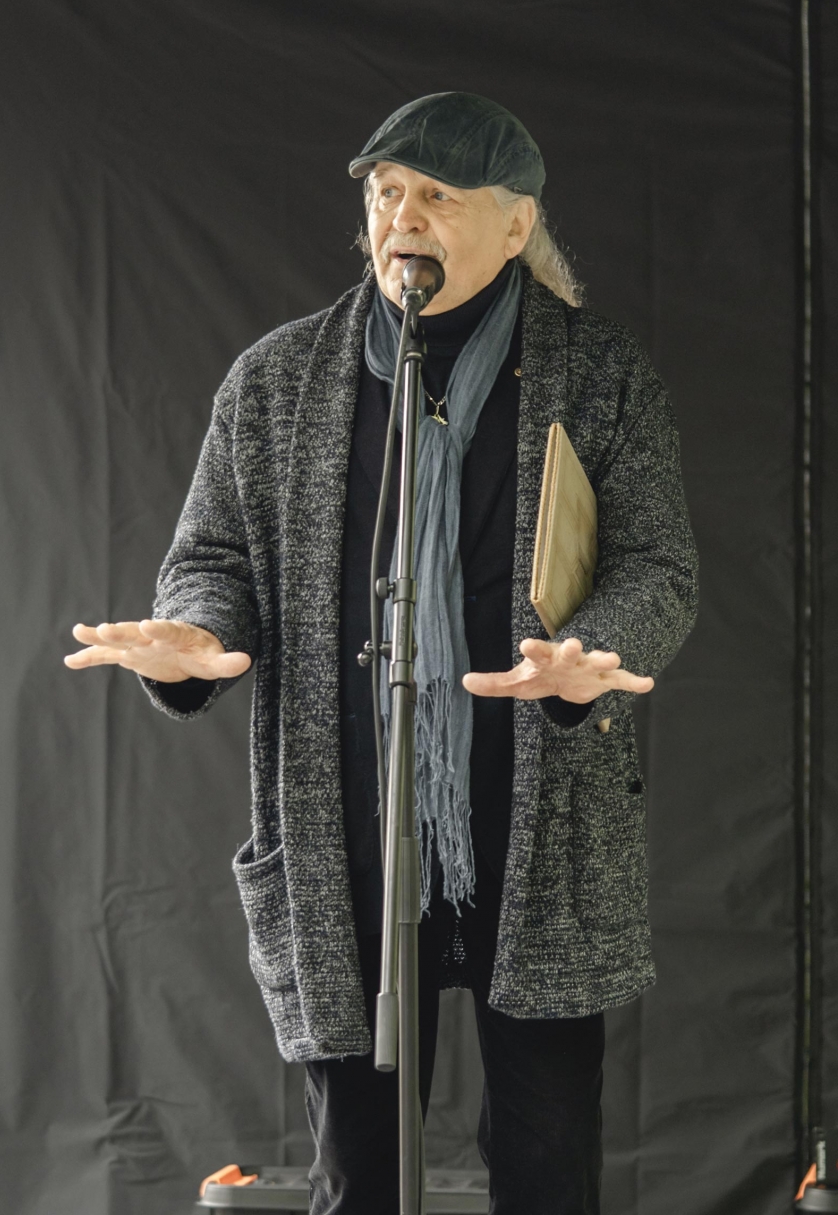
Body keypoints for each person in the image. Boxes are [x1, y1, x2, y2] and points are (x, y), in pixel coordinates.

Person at [65, 92, 698, 1214]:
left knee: (550, 1169)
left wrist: (590, 652)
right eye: (386, 192)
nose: (401, 216)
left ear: (515, 224)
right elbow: (212, 556)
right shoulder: (276, 380)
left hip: (538, 827)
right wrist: (196, 631)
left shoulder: (599, 374)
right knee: (357, 1175)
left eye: (437, 195)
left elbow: (657, 563)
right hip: (346, 829)